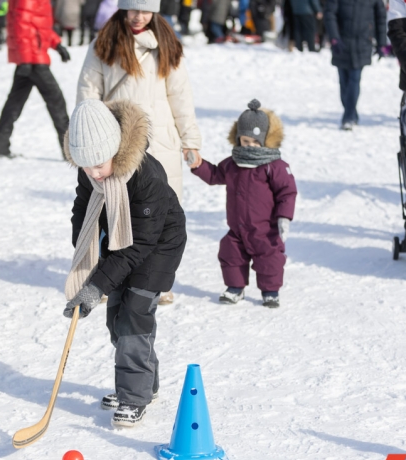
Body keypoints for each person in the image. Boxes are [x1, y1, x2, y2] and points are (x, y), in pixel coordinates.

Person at [63, 99, 187, 428]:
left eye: (98, 164)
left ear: (116, 149)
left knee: (133, 316)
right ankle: (144, 384)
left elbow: (139, 246)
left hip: (158, 246)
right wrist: (85, 252)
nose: (93, 173)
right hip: (121, 245)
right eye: (84, 165)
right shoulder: (92, 172)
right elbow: (82, 207)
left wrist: (95, 286)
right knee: (116, 316)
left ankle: (134, 396)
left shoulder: (146, 180)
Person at [76, 1, 201, 304]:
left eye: (145, 10)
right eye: (132, 8)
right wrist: (88, 136)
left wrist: (190, 139)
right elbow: (88, 92)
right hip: (115, 143)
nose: (138, 16)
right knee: (112, 211)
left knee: (159, 214)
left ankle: (156, 280)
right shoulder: (105, 42)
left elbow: (180, 95)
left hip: (161, 143)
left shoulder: (168, 44)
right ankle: (104, 277)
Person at [190, 100, 297, 308]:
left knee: (270, 259)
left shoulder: (274, 166)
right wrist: (198, 165)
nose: (249, 146)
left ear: (265, 140)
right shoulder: (233, 163)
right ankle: (235, 288)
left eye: (254, 142)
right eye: (245, 141)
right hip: (237, 228)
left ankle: (270, 291)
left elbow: (287, 192)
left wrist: (284, 217)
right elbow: (214, 175)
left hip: (265, 229)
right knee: (230, 255)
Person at [0, 0, 70, 158]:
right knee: (56, 101)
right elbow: (20, 24)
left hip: (31, 57)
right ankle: (71, 152)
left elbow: (39, 26)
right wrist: (25, 59)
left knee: (15, 103)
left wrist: (57, 44)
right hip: (33, 60)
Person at [324, 0, 387, 130]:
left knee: (354, 79)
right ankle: (352, 112)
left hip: (362, 43)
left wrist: (381, 42)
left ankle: (348, 117)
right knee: (344, 83)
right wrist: (334, 37)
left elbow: (380, 17)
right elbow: (330, 13)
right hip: (342, 43)